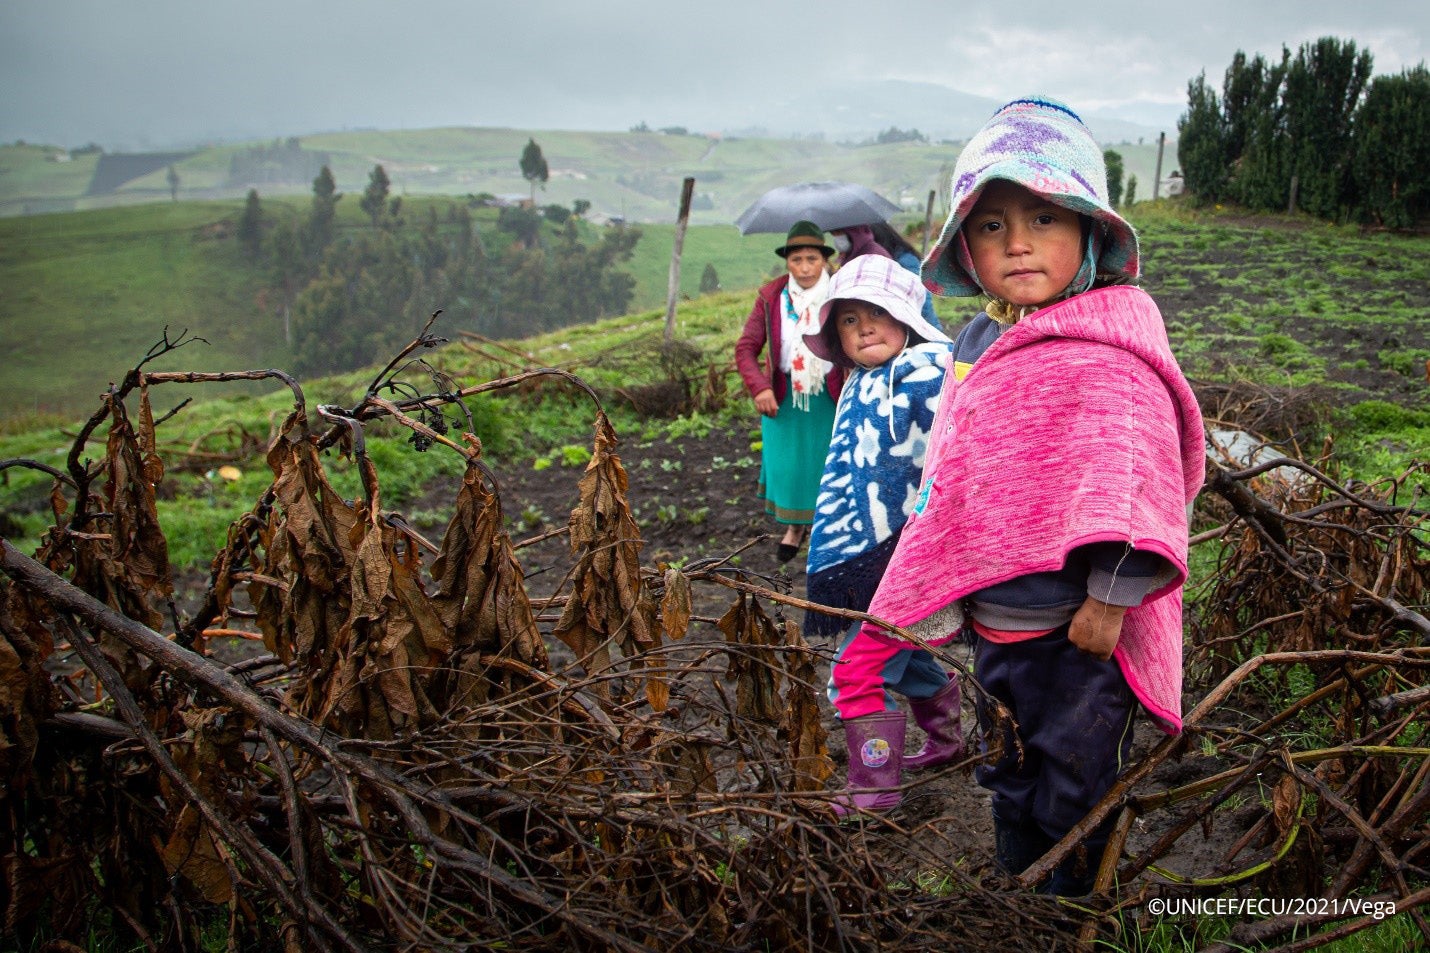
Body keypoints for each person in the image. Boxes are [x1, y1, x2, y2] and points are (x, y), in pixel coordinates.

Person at [846, 97, 1205, 896]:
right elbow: (963, 470)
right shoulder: (977, 345)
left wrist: (1109, 602)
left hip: (1077, 633)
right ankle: (1017, 890)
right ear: (965, 247)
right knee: (1006, 763)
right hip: (996, 625)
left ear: (1088, 233)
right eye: (992, 224)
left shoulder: (1110, 349)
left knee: (1075, 776)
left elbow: (1133, 480)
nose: (1017, 243)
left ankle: (1076, 896)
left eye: (1043, 218)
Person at [798, 255, 961, 818]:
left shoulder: (935, 370)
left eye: (877, 312)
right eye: (848, 320)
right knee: (905, 657)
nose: (864, 326)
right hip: (870, 556)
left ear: (907, 315)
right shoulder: (860, 384)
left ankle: (874, 787)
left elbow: (957, 459)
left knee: (856, 671)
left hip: (911, 557)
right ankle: (947, 741)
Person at [735, 221, 845, 563]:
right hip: (785, 396)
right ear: (787, 263)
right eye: (797, 260)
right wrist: (760, 387)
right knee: (792, 468)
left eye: (812, 258)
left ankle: (825, 532)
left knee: (828, 465)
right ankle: (795, 530)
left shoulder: (841, 291)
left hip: (830, 395)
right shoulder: (771, 297)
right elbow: (746, 348)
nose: (805, 267)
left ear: (824, 260)